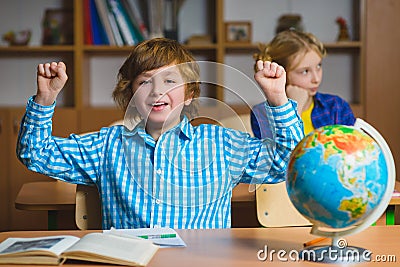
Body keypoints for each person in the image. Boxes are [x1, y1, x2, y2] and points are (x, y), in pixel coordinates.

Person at [17, 38, 303, 229]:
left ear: (189, 93)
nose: (157, 91)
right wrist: (45, 99)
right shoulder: (108, 146)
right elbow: (36, 154)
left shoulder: (220, 144)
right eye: (144, 82)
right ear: (130, 93)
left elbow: (289, 162)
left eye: (169, 80)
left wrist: (277, 99)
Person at [251, 30, 356, 138]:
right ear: (280, 73)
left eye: (318, 66)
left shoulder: (336, 106)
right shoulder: (261, 114)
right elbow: (279, 154)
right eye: (305, 71)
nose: (316, 79)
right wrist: (296, 108)